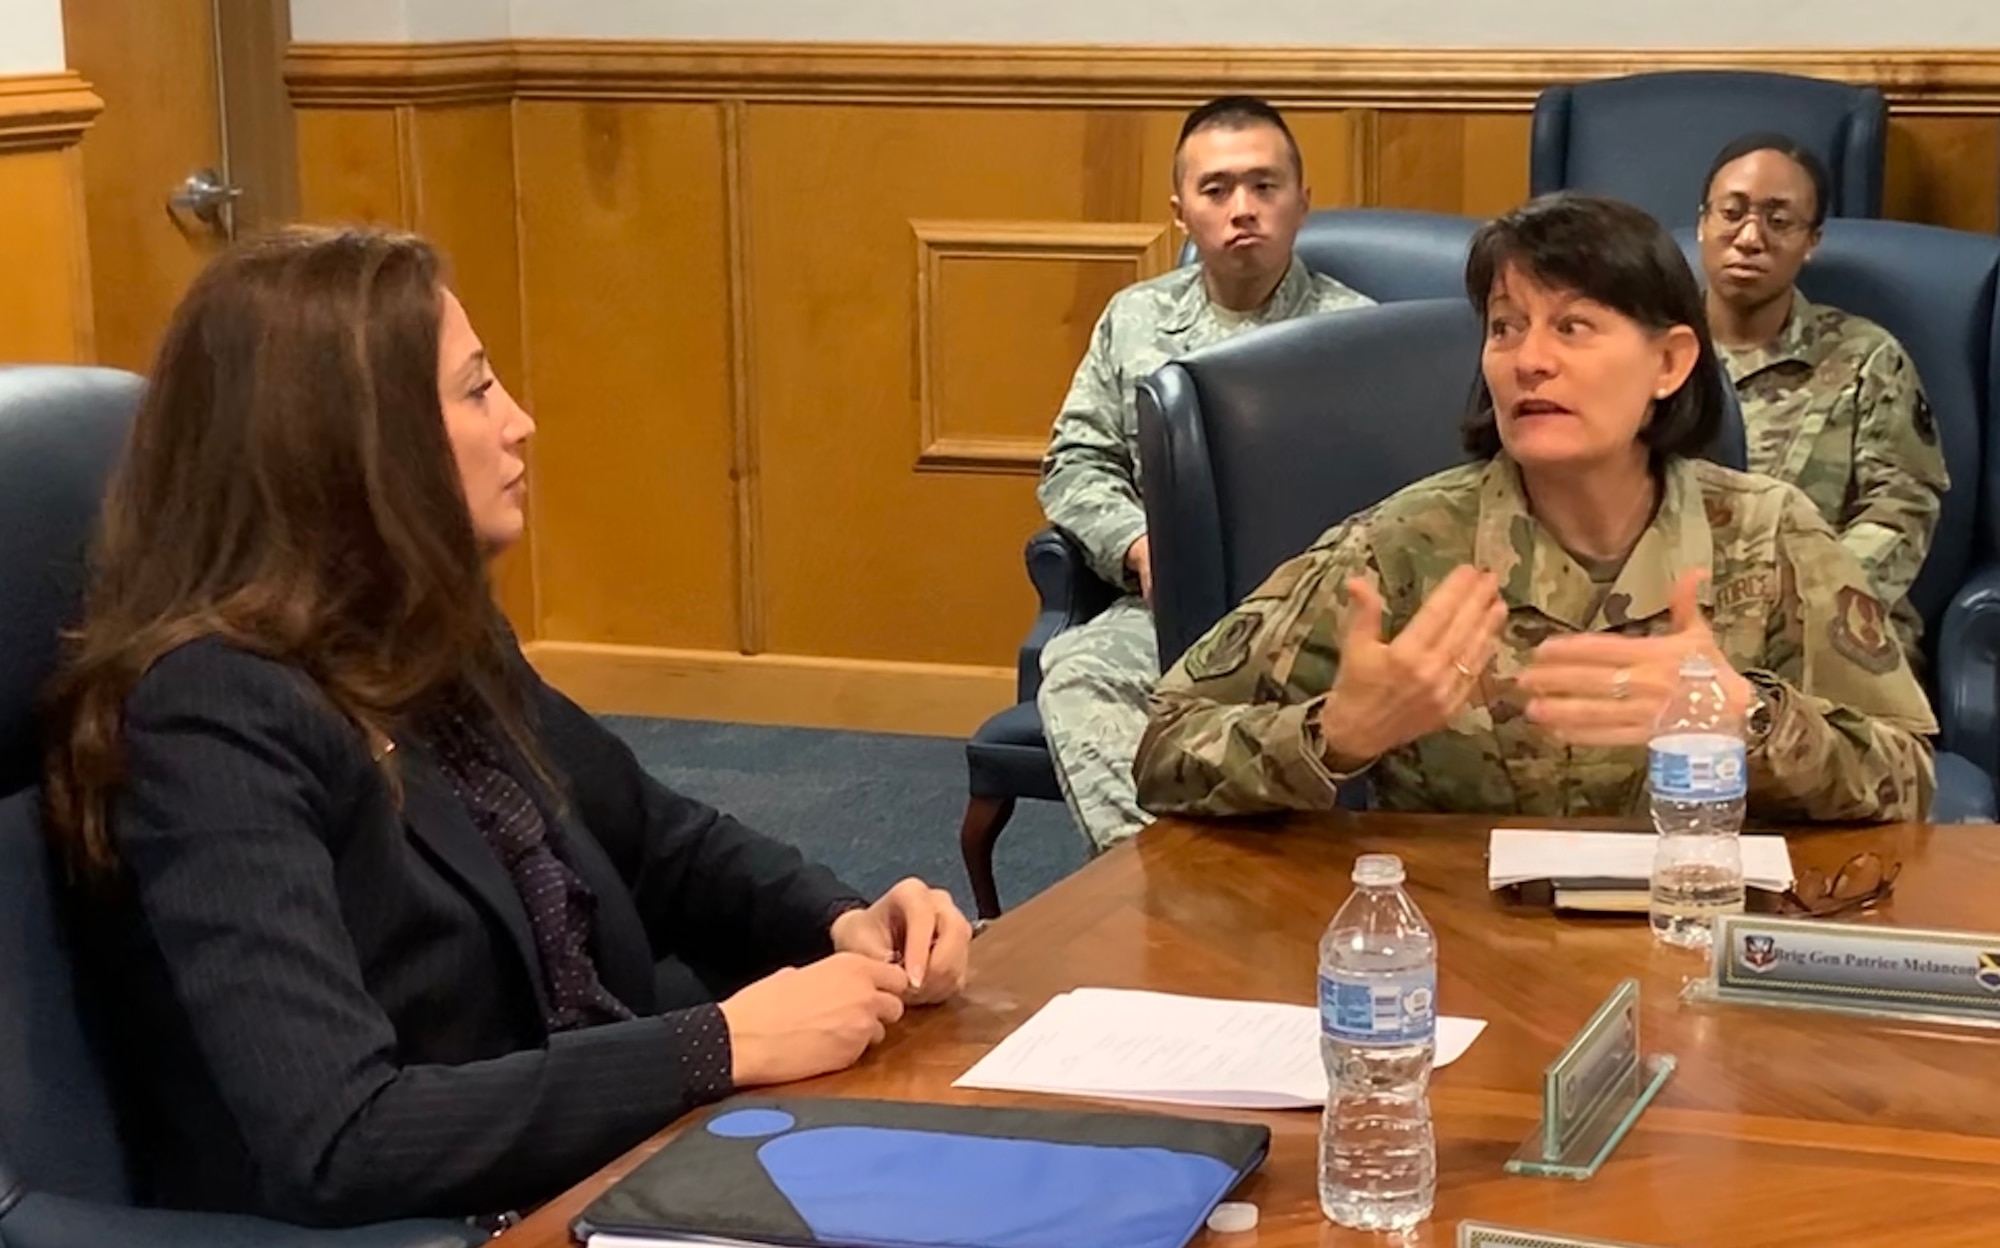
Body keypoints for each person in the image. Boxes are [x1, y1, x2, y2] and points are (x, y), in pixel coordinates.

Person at [41, 228, 973, 1229]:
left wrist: (841, 920)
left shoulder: (422, 630)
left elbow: (657, 842)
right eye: (478, 391)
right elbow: (340, 1136)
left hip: (620, 1166)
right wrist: (715, 1045)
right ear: (356, 441)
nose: (520, 423)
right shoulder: (214, 719)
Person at [1132, 193, 1936, 823]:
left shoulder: (1769, 536)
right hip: (1465, 962)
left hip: (1697, 937)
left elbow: (1907, 780)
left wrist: (1751, 721)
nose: (1530, 362)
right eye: (1506, 328)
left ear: (1670, 362)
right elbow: (1166, 750)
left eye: (1574, 326)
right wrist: (1334, 735)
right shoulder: (1404, 547)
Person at [1036, 95, 1375, 852]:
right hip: (1173, 609)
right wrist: (1135, 546)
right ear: (1181, 211)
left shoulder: (1358, 331)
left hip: (1317, 619)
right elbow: (1077, 462)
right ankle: (1154, 883)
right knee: (1079, 670)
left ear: (1302, 203)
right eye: (1216, 190)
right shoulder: (1135, 319)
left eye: (1265, 186)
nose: (1243, 209)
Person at [1698, 131, 1948, 663]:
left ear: (1812, 241)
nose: (1749, 237)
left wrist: (1804, 604)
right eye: (1732, 212)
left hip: (1828, 635)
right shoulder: (1647, 354)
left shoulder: (1866, 357)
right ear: (1702, 223)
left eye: (1778, 220)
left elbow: (1901, 509)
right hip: (1680, 625)